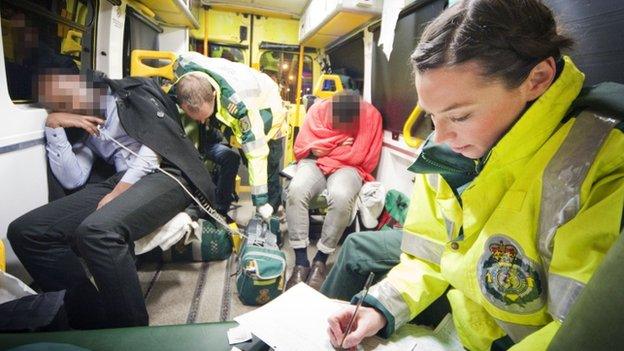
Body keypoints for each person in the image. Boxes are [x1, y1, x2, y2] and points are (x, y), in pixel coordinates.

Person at [326, 1, 624, 350]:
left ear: (537, 79)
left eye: (461, 116)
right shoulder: (443, 153)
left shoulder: (604, 161)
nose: (441, 137)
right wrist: (380, 308)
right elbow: (427, 254)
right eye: (432, 117)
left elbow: (579, 330)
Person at [7, 69, 216, 329]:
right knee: (27, 232)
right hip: (120, 179)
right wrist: (55, 125)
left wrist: (116, 195)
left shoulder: (133, 96)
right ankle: (91, 320)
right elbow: (73, 178)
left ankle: (130, 333)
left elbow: (153, 153)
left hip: (166, 172)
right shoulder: (85, 125)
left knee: (96, 232)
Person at [285, 90, 383, 291]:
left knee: (341, 197)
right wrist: (338, 144)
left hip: (350, 166)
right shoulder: (318, 111)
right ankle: (301, 262)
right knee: (296, 191)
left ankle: (320, 262)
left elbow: (361, 156)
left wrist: (326, 147)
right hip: (314, 161)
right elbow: (304, 147)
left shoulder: (371, 117)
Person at [172, 52, 287, 221]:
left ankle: (272, 212)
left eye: (205, 116)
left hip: (268, 112)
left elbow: (256, 152)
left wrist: (260, 202)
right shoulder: (184, 68)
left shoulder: (240, 108)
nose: (203, 121)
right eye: (198, 118)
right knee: (245, 159)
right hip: (243, 104)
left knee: (268, 169)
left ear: (214, 96)